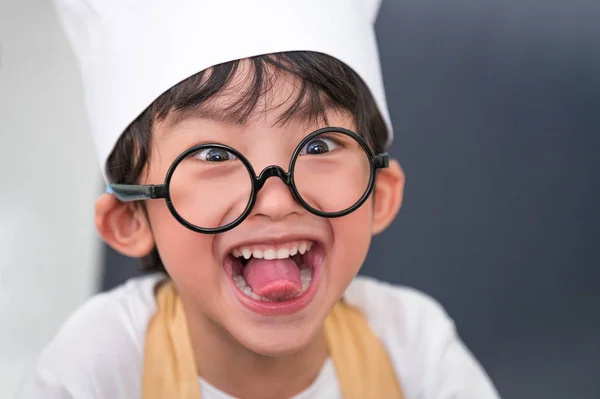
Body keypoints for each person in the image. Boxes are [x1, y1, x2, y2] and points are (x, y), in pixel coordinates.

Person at [20, 0, 500, 398]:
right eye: (213, 154)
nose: (274, 200)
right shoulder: (100, 364)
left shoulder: (412, 345)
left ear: (379, 194)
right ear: (131, 218)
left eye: (318, 146)